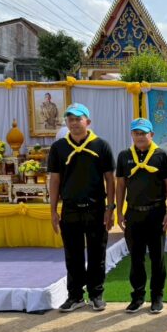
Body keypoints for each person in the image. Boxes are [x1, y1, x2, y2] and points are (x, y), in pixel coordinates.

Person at [48, 103, 116, 312]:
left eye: (78, 119)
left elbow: (110, 179)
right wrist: (53, 210)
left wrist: (110, 208)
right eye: (70, 119)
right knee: (73, 255)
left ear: (88, 121)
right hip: (70, 209)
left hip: (95, 208)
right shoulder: (59, 148)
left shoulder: (101, 145)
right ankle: (75, 296)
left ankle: (96, 294)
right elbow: (55, 180)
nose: (74, 123)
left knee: (97, 254)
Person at [115, 118, 167, 314]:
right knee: (136, 258)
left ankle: (157, 297)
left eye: (143, 133)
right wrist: (119, 211)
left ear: (152, 135)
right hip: (133, 213)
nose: (140, 137)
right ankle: (138, 297)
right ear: (132, 135)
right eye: (136, 133)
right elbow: (121, 184)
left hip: (156, 213)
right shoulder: (124, 156)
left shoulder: (162, 155)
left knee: (157, 258)